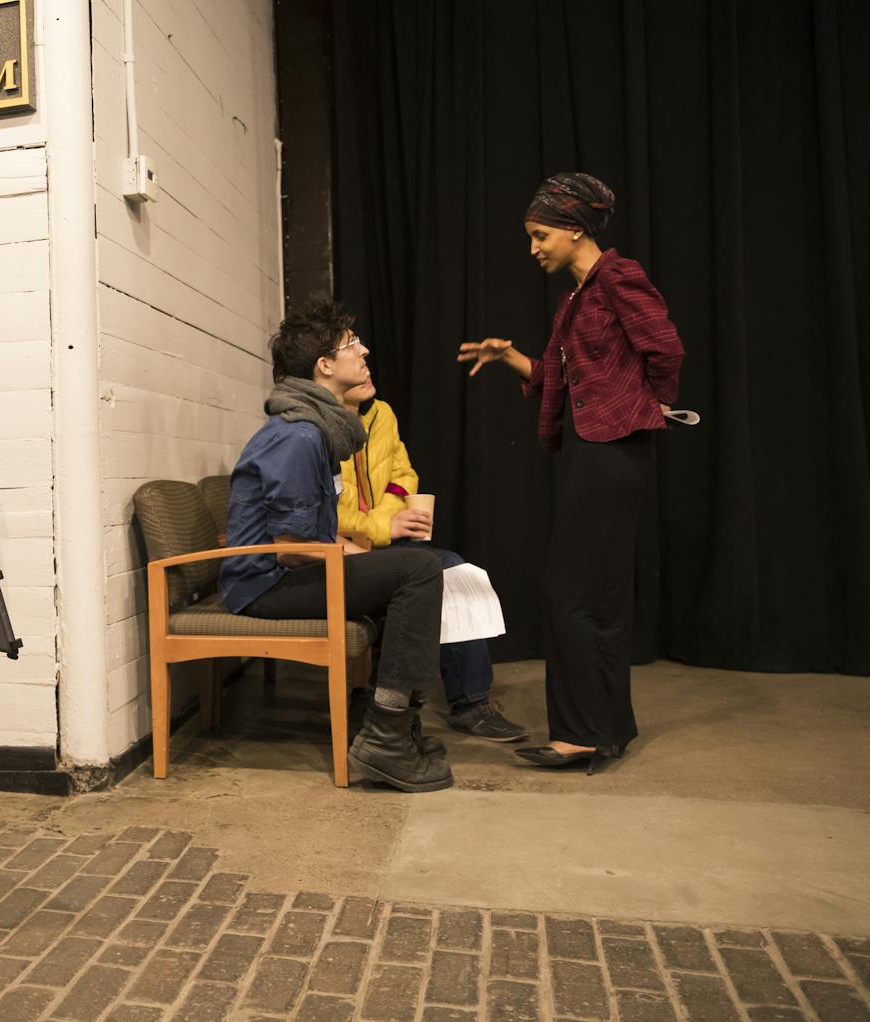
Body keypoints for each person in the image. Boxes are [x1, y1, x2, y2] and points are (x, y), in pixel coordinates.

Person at [457, 172, 684, 772]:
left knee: (572, 594)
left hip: (611, 453)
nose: (534, 248)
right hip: (596, 452)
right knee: (599, 596)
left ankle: (581, 733)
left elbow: (666, 349)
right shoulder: (578, 298)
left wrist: (648, 403)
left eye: (540, 235)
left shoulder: (618, 277)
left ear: (575, 229)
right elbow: (562, 379)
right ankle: (605, 729)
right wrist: (509, 357)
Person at [222, 298, 452, 792]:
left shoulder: (316, 428)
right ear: (324, 366)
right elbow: (290, 548)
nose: (364, 350)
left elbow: (310, 541)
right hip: (265, 586)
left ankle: (396, 729)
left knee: (412, 564)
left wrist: (364, 555)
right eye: (352, 345)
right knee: (417, 569)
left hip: (289, 572)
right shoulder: (299, 436)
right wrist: (363, 555)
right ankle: (385, 742)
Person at [338, 380, 529, 743]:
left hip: (382, 540)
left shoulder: (382, 414)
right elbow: (323, 515)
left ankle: (468, 701)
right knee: (440, 569)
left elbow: (403, 477)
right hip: (343, 548)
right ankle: (419, 705)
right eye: (350, 347)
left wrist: (390, 520)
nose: (364, 359)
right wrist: (382, 526)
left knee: (453, 570)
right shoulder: (319, 430)